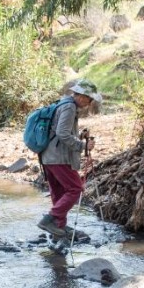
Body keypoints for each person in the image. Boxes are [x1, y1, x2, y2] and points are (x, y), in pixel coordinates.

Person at [36, 80, 102, 237]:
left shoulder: (62, 103)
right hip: (59, 158)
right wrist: (83, 146)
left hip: (48, 156)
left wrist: (79, 136)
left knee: (58, 192)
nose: (90, 102)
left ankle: (58, 228)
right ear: (81, 96)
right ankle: (49, 219)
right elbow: (62, 133)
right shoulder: (69, 107)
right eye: (89, 98)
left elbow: (58, 133)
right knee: (75, 188)